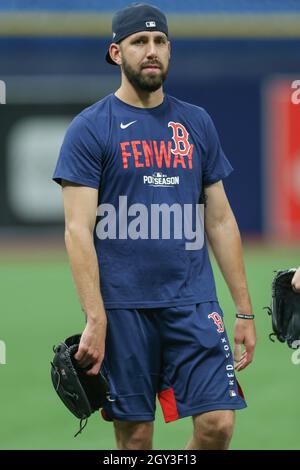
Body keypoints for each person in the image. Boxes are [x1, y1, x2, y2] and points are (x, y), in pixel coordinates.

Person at [53, 3, 256, 450]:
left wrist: (243, 310)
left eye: (159, 41)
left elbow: (220, 220)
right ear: (115, 53)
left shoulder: (196, 122)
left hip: (194, 305)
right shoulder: (90, 128)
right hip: (124, 311)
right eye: (139, 42)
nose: (151, 51)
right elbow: (77, 231)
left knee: (218, 424)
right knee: (136, 439)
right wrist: (95, 317)